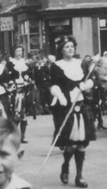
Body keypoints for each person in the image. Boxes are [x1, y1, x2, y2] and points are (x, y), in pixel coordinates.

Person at [50, 35, 96, 188]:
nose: (70, 49)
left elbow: (91, 78)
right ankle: (65, 165)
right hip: (66, 106)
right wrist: (61, 96)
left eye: (72, 46)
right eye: (67, 47)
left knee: (82, 143)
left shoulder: (81, 63)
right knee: (72, 144)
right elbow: (54, 85)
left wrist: (86, 85)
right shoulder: (56, 66)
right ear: (61, 50)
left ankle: (79, 177)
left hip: (82, 103)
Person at [7, 46, 32, 143]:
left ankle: (23, 136)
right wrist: (12, 85)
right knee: (16, 113)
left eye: (21, 51)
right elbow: (8, 77)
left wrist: (29, 81)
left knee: (24, 112)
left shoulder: (25, 62)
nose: (19, 53)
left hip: (24, 89)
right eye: (17, 51)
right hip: (15, 90)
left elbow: (29, 75)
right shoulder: (10, 63)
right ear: (13, 52)